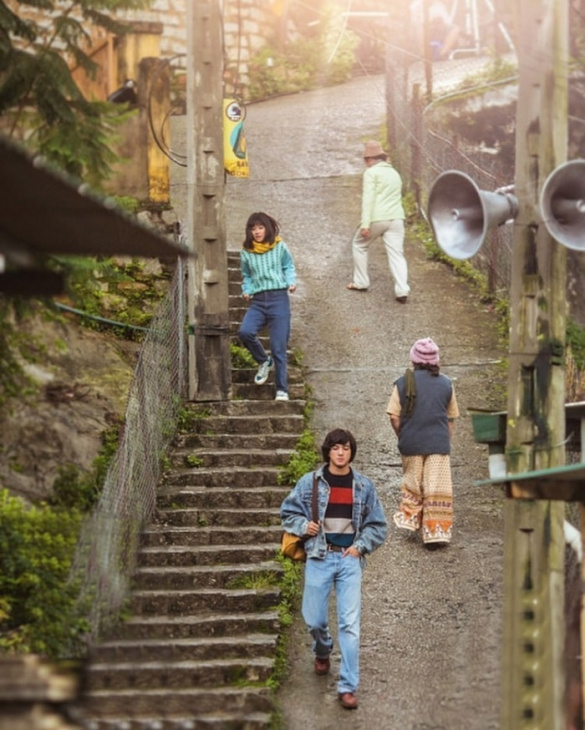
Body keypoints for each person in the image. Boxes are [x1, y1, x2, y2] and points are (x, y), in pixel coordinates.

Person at [280, 428, 387, 710]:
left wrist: (360, 546)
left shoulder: (364, 486)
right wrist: (304, 526)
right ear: (328, 451)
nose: (341, 452)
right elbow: (287, 512)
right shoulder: (309, 483)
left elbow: (378, 525)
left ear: (352, 452)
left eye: (346, 448)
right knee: (314, 619)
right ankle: (322, 648)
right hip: (318, 556)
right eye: (336, 447)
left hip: (349, 559)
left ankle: (348, 686)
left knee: (349, 625)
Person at [386, 337, 459, 549]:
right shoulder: (446, 384)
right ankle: (435, 534)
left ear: (414, 360)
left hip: (411, 444)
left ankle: (411, 521)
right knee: (436, 487)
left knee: (413, 483)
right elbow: (451, 418)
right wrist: (444, 438)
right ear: (436, 360)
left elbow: (393, 416)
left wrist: (403, 435)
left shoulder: (402, 383)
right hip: (438, 444)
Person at [238, 212, 296, 401]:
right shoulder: (246, 252)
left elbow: (288, 265)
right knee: (245, 332)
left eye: (260, 228)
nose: (257, 232)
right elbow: (246, 275)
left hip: (278, 298)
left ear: (267, 228)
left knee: (278, 346)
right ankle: (264, 360)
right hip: (258, 301)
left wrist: (291, 281)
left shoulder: (279, 246)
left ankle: (282, 389)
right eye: (253, 228)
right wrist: (246, 289)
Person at [346, 140, 410, 303]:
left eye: (365, 160)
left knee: (359, 245)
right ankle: (402, 289)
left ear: (370, 159)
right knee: (397, 254)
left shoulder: (371, 173)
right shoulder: (394, 173)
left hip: (378, 218)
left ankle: (361, 282)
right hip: (396, 218)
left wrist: (365, 224)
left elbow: (368, 199)